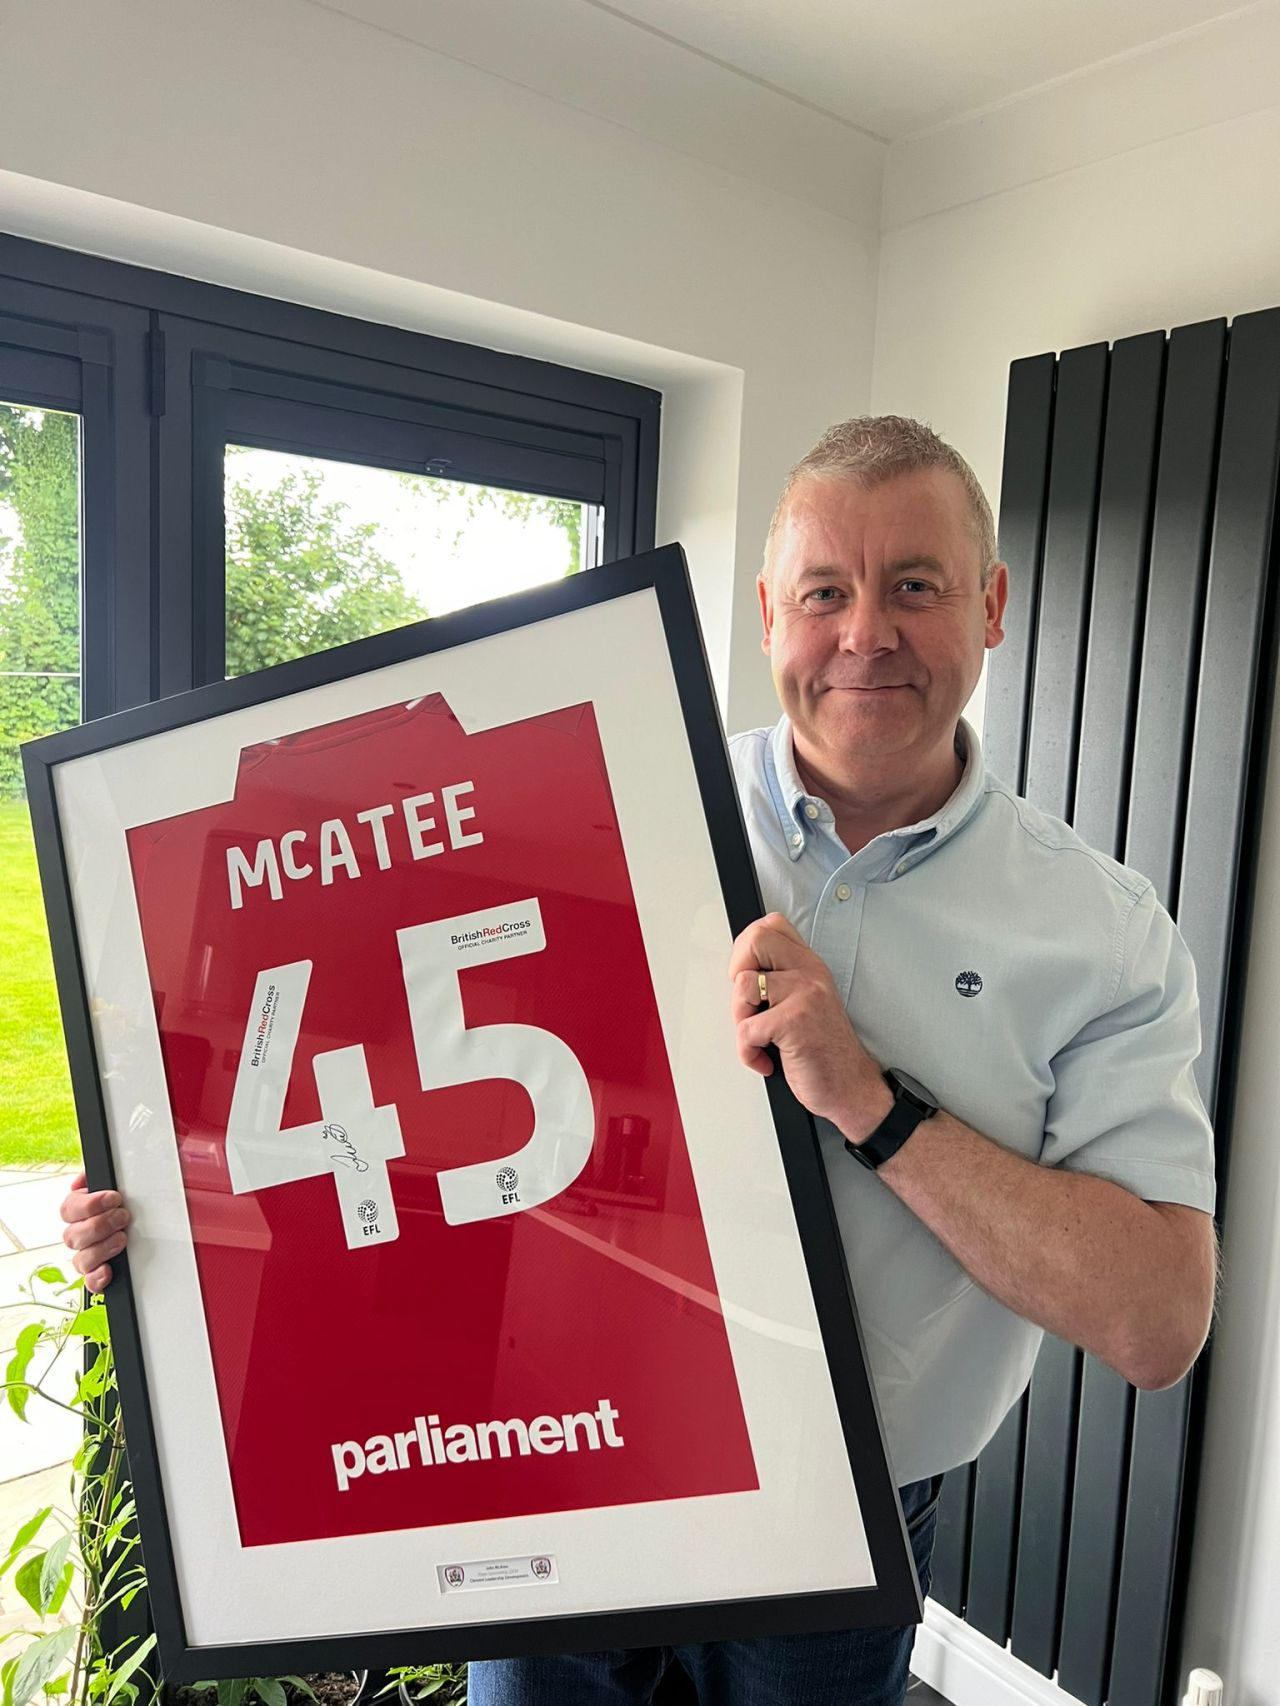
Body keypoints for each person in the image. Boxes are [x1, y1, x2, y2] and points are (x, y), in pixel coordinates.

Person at [60, 417, 1218, 1706]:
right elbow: (375, 1085)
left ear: (990, 606)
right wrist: (164, 1203)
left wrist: (875, 1110)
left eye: (916, 586)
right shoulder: (593, 803)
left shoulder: (1105, 936)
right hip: (564, 1477)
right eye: (825, 591)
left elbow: (1156, 1320)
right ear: (770, 610)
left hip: (846, 1520)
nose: (864, 634)